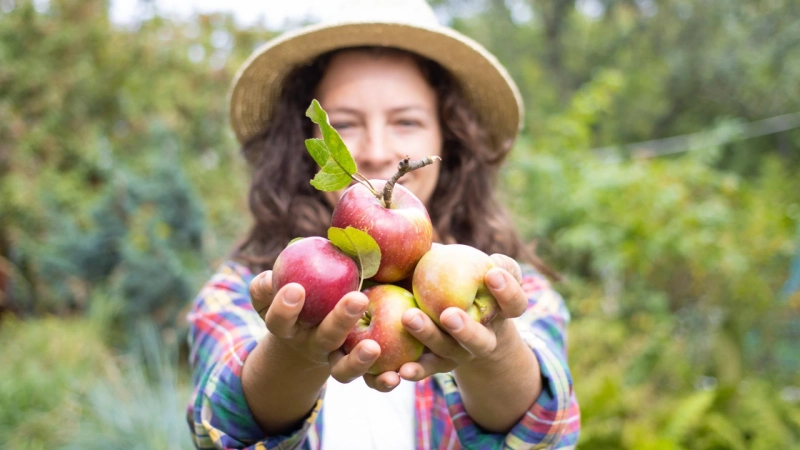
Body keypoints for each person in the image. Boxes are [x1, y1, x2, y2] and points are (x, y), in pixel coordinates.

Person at [186, 0, 581, 448]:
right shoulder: (249, 289)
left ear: (447, 137)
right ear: (307, 144)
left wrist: (494, 350)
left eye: (406, 121)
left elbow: (548, 433)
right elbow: (220, 432)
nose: (377, 152)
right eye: (347, 125)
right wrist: (291, 355)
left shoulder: (511, 291)